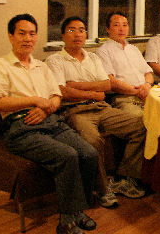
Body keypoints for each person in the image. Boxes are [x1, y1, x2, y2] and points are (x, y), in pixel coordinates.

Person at [0, 14, 98, 234]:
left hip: (49, 119)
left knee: (89, 153)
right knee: (67, 155)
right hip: (20, 127)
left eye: (32, 34)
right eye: (21, 33)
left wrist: (46, 106)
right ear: (10, 36)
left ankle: (77, 210)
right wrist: (35, 101)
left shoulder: (41, 66)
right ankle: (67, 221)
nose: (27, 38)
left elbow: (56, 97)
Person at [46, 16, 147, 205]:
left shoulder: (92, 57)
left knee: (141, 125)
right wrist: (93, 92)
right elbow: (62, 91)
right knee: (92, 139)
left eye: (82, 30)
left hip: (102, 107)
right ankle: (102, 188)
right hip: (74, 111)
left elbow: (106, 87)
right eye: (72, 30)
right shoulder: (55, 60)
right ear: (63, 35)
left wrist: (77, 86)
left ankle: (124, 177)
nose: (77, 34)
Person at [96, 11, 154, 117]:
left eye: (125, 25)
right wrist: (137, 92)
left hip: (147, 94)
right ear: (107, 29)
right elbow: (111, 81)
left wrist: (147, 85)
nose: (121, 29)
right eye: (116, 25)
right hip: (124, 98)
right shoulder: (103, 51)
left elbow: (148, 73)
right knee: (141, 120)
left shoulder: (134, 49)